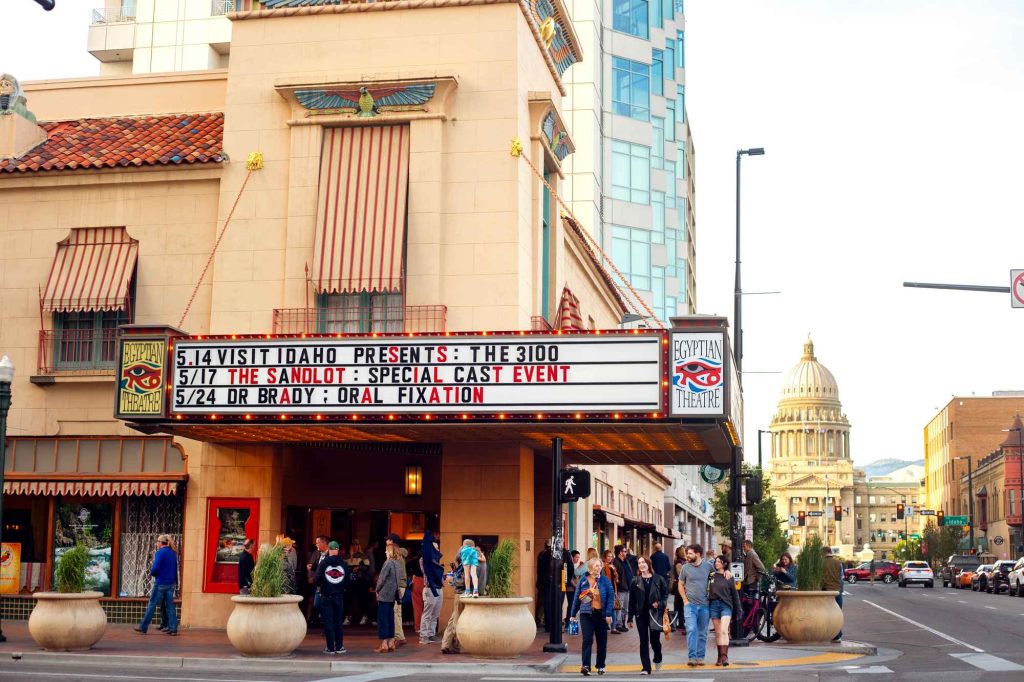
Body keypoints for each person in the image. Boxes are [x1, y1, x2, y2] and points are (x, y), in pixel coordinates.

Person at [569, 557, 615, 676]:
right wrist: (572, 614)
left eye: (600, 566)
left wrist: (609, 614)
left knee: (602, 642)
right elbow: (577, 598)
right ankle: (586, 666)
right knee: (587, 640)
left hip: (601, 615)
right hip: (586, 615)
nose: (598, 568)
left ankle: (600, 665)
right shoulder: (583, 580)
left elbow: (611, 597)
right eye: (596, 566)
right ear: (590, 567)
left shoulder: (605, 580)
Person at [629, 555, 669, 675]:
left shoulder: (658, 579)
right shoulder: (635, 580)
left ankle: (658, 657)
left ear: (648, 564)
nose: (641, 565)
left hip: (655, 614)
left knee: (655, 641)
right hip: (640, 614)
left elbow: (665, 595)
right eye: (639, 563)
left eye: (643, 562)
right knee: (643, 640)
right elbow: (632, 600)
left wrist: (660, 603)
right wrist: (630, 617)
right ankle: (646, 667)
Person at [135, 534, 178, 636]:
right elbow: (175, 569)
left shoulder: (160, 553)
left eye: (157, 542)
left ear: (160, 543)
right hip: (170, 583)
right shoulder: (173, 553)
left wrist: (153, 574)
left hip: (160, 583)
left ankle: (143, 627)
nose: (156, 544)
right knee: (170, 606)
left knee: (152, 604)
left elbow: (155, 568)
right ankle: (173, 628)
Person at [679, 543, 713, 667]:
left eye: (690, 553)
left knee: (702, 632)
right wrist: (685, 600)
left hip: (705, 605)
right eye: (687, 553)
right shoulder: (685, 568)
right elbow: (680, 584)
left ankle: (700, 657)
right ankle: (692, 657)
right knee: (691, 629)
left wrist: (727, 573)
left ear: (698, 554)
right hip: (690, 605)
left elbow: (718, 576)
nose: (687, 555)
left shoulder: (709, 567)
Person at [709, 555, 742, 666]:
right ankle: (719, 657)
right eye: (715, 561)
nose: (716, 563)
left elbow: (734, 594)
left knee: (724, 630)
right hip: (714, 605)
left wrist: (738, 610)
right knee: (718, 633)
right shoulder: (711, 576)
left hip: (725, 605)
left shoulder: (729, 576)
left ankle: (725, 657)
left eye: (718, 561)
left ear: (724, 563)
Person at [315, 540, 347, 655]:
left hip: (326, 595)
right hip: (339, 596)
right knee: (338, 621)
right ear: (337, 550)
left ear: (328, 549)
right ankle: (339, 647)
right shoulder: (343, 563)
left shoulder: (323, 563)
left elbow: (317, 579)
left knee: (328, 622)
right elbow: (347, 581)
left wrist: (321, 586)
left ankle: (329, 647)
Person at [375, 544, 401, 653]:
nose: (385, 553)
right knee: (390, 619)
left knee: (383, 619)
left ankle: (384, 643)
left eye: (386, 551)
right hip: (392, 594)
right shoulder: (398, 564)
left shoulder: (388, 563)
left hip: (384, 594)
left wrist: (377, 589)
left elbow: (382, 579)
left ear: (390, 552)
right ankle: (391, 642)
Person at [419, 529, 444, 644]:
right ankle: (423, 636)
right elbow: (428, 572)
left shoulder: (437, 562)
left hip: (438, 588)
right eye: (435, 548)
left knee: (435, 613)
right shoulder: (425, 560)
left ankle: (431, 634)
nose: (437, 550)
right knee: (428, 613)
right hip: (430, 588)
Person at [385, 535, 408, 646]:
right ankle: (400, 636)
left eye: (388, 541)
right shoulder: (401, 553)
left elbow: (391, 571)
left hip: (397, 585)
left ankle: (398, 636)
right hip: (401, 585)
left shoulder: (395, 554)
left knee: (394, 611)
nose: (386, 543)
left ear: (392, 542)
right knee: (397, 611)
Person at [823, 547, 845, 642]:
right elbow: (841, 578)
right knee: (837, 613)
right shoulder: (839, 563)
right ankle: (837, 634)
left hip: (825, 591)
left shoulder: (820, 563)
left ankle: (831, 634)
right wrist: (840, 590)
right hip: (836, 591)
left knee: (826, 614)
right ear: (830, 552)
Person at [306, 535, 329, 623]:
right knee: (317, 604)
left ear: (323, 543)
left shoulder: (330, 555)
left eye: (317, 543)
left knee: (323, 605)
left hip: (326, 585)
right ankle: (325, 621)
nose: (316, 545)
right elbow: (320, 567)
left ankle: (328, 626)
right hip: (318, 584)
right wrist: (312, 567)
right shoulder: (320, 554)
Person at [612, 545, 634, 633]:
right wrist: (620, 585)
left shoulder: (626, 560)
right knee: (619, 607)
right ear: (620, 552)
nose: (626, 553)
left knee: (625, 608)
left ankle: (622, 624)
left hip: (627, 588)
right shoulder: (616, 562)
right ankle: (618, 624)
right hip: (621, 589)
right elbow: (615, 577)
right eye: (624, 551)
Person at [407, 549, 425, 632]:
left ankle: (418, 627)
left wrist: (411, 575)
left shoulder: (413, 561)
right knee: (428, 607)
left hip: (416, 581)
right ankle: (425, 627)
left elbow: (406, 567)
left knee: (417, 606)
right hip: (427, 582)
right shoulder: (430, 560)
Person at [537, 542, 552, 629]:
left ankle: (541, 619)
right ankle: (542, 619)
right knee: (545, 601)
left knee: (543, 601)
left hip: (542, 581)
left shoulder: (541, 554)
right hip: (546, 582)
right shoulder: (546, 555)